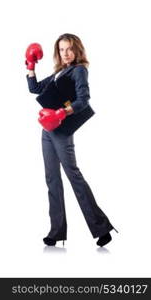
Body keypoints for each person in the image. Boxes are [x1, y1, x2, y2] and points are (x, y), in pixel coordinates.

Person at [25, 33, 115, 247]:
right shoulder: (60, 71)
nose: (65, 53)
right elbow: (34, 89)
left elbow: (83, 100)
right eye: (61, 49)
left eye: (69, 49)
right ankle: (56, 232)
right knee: (51, 178)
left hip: (62, 129)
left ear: (77, 50)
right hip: (47, 129)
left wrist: (61, 113)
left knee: (73, 176)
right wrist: (30, 64)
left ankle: (102, 228)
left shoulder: (79, 70)